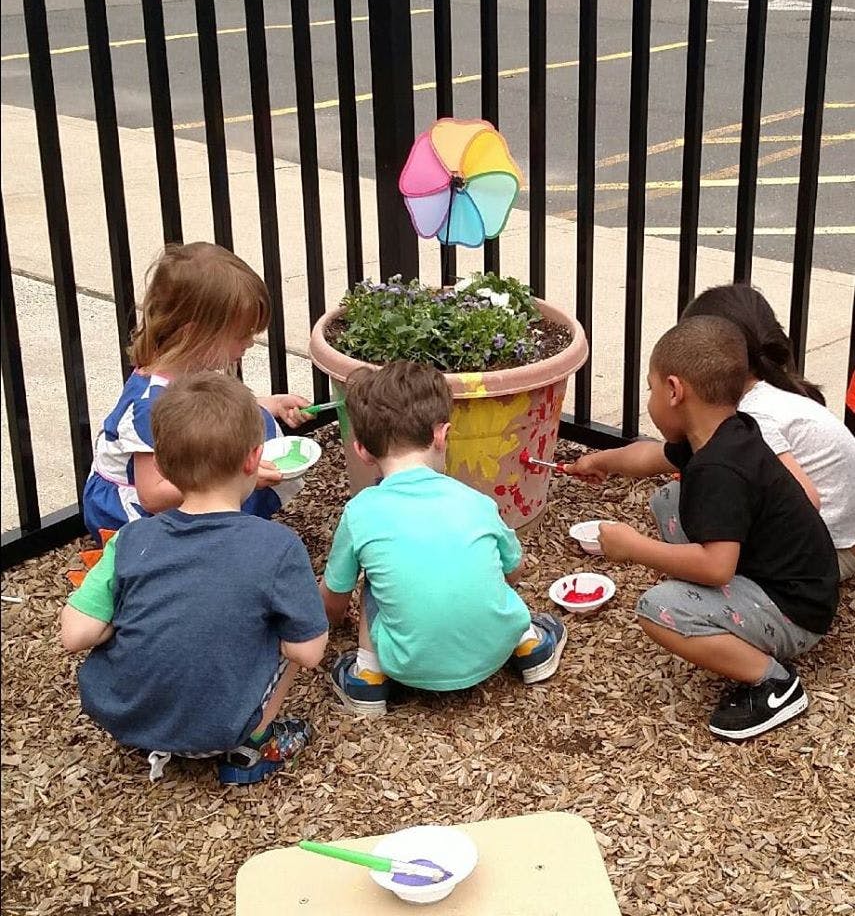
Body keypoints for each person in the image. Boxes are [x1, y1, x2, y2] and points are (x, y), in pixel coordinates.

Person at [566, 316, 838, 741]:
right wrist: (599, 462)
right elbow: (652, 457)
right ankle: (724, 613)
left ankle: (774, 684)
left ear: (675, 391)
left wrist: (632, 546)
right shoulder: (727, 431)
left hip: (795, 612)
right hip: (788, 580)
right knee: (669, 499)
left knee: (657, 608)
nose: (651, 399)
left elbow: (716, 569)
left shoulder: (719, 470)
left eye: (651, 389)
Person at [61, 373, 329, 784]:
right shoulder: (277, 547)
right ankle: (251, 745)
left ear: (164, 466)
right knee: (290, 631)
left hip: (122, 719)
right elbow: (308, 653)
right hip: (219, 729)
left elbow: (75, 634)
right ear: (254, 459)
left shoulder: (132, 539)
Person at [318, 361, 567, 716]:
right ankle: (530, 645)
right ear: (442, 435)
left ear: (362, 450)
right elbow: (514, 572)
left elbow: (334, 600)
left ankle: (368, 678)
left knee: (374, 577)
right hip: (496, 648)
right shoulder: (478, 502)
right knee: (489, 567)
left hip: (406, 664)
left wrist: (331, 619)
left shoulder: (360, 513)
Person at [83, 242, 310, 540]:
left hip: (179, 476)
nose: (249, 344)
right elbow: (152, 495)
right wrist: (238, 480)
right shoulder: (150, 406)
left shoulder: (190, 369)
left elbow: (208, 411)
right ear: (195, 334)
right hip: (137, 513)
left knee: (253, 419)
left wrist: (271, 405)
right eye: (241, 335)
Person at [683, 283, 855, 579]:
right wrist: (604, 462)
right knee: (682, 500)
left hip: (828, 554)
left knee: (715, 537)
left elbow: (807, 500)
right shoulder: (773, 391)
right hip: (837, 538)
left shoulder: (754, 416)